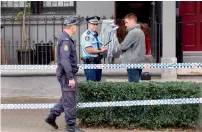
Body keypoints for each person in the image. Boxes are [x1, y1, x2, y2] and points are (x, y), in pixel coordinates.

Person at [44, 16, 85, 132]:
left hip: (67, 74)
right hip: (67, 75)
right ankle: (71, 126)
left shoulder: (65, 38)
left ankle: (51, 117)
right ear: (72, 27)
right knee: (70, 101)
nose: (76, 28)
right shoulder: (66, 40)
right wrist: (70, 77)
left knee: (67, 98)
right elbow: (65, 60)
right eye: (75, 26)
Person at [118, 13, 146, 83]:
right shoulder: (140, 31)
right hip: (138, 62)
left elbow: (123, 46)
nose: (125, 25)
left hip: (132, 63)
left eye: (126, 22)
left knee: (133, 86)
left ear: (132, 21)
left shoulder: (133, 32)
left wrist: (117, 45)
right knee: (136, 84)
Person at [80, 16, 108, 81]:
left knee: (97, 83)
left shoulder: (96, 35)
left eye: (96, 24)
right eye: (93, 24)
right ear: (88, 24)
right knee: (91, 84)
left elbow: (99, 46)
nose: (95, 26)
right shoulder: (87, 35)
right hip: (90, 63)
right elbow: (89, 50)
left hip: (98, 61)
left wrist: (103, 48)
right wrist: (100, 50)